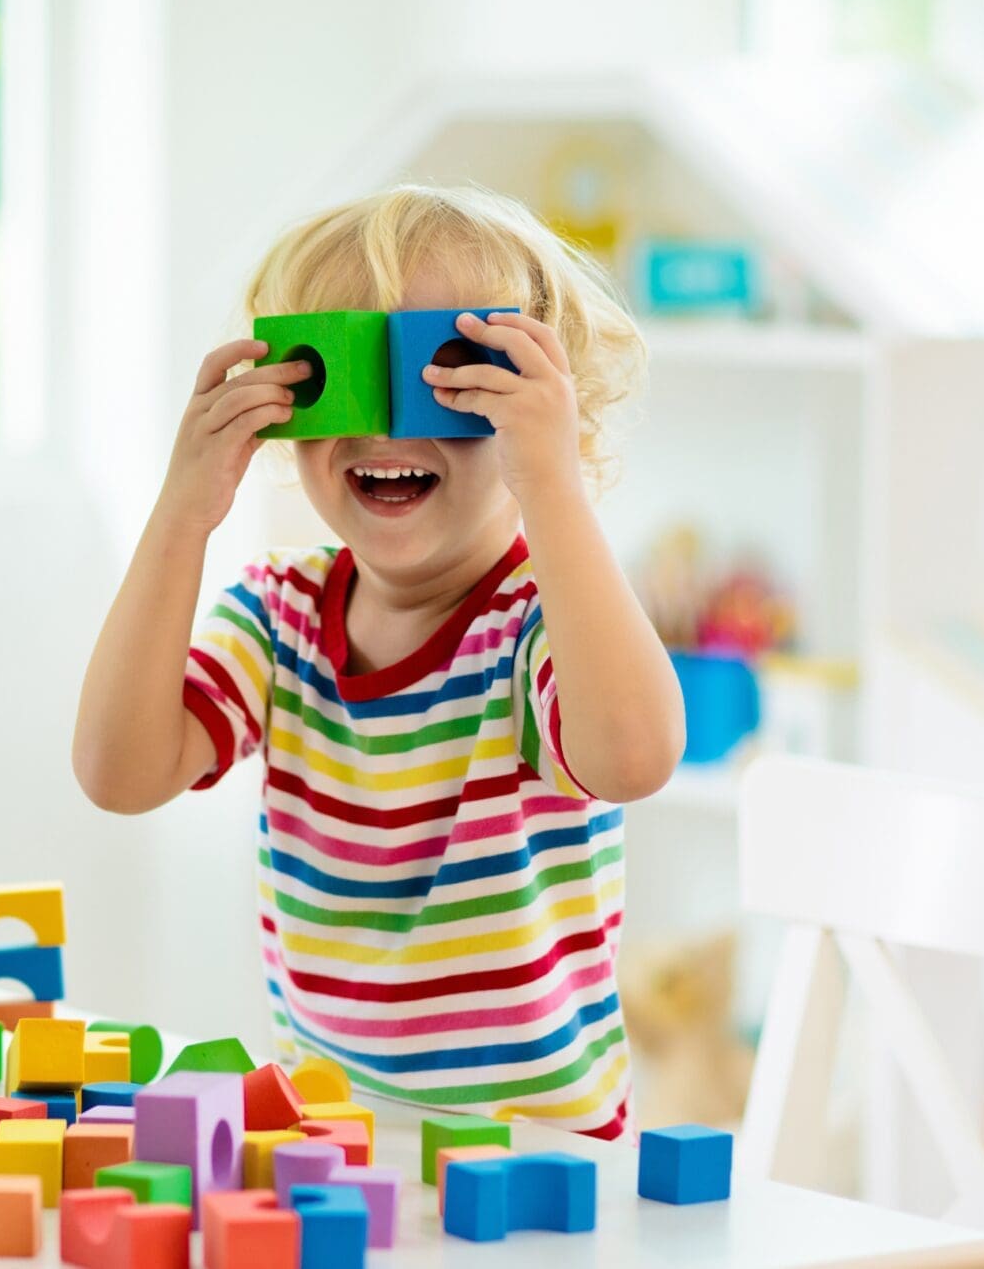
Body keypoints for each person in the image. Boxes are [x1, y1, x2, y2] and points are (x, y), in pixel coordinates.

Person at [73, 184, 683, 1135]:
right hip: (336, 1146)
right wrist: (181, 514)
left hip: (536, 1159)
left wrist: (551, 483)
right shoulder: (279, 620)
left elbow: (634, 757)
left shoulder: (536, 629)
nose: (390, 428)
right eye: (338, 377)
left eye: (456, 379)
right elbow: (119, 773)